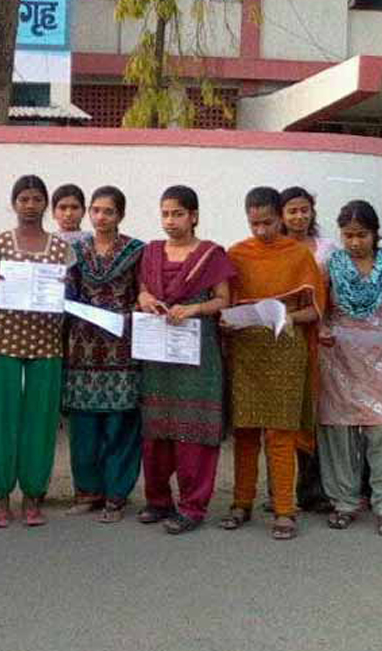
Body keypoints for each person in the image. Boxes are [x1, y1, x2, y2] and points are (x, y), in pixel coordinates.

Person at [219, 187, 325, 540]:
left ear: (280, 217)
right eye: (254, 223)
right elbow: (225, 301)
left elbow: (317, 309)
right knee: (246, 432)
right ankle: (241, 503)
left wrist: (292, 318)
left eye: (267, 222)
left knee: (281, 433)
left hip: (285, 349)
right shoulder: (237, 253)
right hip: (246, 347)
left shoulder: (298, 254)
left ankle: (284, 509)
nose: (261, 231)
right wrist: (226, 319)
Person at [136, 186, 235, 534]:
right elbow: (142, 289)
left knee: (195, 432)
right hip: (158, 355)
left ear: (193, 215)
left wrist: (195, 308)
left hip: (198, 355)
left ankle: (193, 506)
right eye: (165, 213)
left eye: (177, 213)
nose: (170, 221)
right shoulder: (150, 253)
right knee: (156, 430)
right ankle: (158, 501)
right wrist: (146, 297)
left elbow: (224, 300)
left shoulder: (211, 255)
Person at [0, 175, 76, 528]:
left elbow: (69, 302)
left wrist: (64, 289)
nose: (31, 205)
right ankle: (2, 497)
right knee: (1, 419)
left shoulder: (62, 249)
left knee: (41, 421)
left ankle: (34, 496)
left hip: (46, 342)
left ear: (45, 204)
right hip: (5, 340)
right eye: (24, 199)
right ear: (14, 203)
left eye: (37, 199)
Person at [318, 201, 382, 537]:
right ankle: (343, 502)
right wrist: (322, 328)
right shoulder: (332, 263)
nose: (355, 242)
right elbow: (321, 307)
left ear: (375, 233)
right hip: (339, 355)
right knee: (339, 433)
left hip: (381, 356)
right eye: (348, 235)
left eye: (362, 235)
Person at [63, 186, 143, 523]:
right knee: (83, 426)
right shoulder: (75, 251)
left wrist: (135, 308)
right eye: (95, 210)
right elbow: (66, 293)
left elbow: (144, 292)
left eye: (108, 211)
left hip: (121, 349)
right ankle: (87, 491)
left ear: (120, 215)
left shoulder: (136, 251)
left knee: (120, 424)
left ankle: (116, 494)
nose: (100, 217)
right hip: (82, 349)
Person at [280, 185, 336, 513]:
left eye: (304, 210)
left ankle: (313, 489)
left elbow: (334, 292)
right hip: (283, 336)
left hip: (321, 338)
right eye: (292, 211)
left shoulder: (327, 248)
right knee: (284, 414)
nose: (299, 216)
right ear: (282, 215)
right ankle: (279, 491)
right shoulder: (273, 248)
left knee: (314, 414)